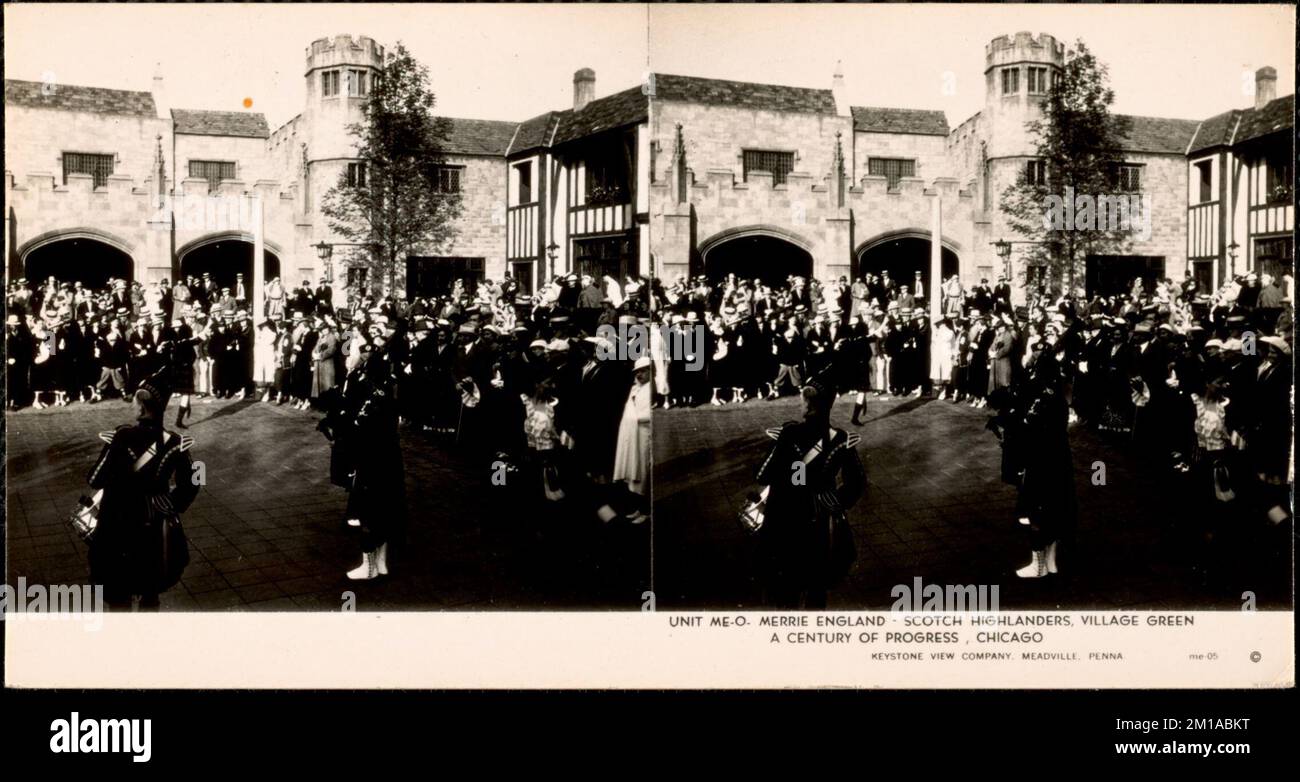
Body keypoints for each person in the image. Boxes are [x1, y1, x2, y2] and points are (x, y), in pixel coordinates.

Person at [85, 369, 199, 610]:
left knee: (118, 594)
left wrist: (111, 448)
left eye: (134, 402)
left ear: (140, 408)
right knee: (150, 589)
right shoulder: (175, 442)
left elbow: (95, 478)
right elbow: (196, 479)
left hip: (116, 522)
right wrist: (174, 502)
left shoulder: (123, 436)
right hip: (153, 523)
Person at [753, 368, 865, 608]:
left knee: (786, 587)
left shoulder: (789, 433)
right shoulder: (841, 439)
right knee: (816, 585)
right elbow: (857, 483)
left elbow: (763, 474)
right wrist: (833, 500)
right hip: (818, 520)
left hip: (785, 517)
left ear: (806, 404)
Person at [612, 356, 653, 522]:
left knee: (643, 473)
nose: (639, 374)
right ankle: (638, 507)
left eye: (643, 371)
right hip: (632, 435)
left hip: (644, 435)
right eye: (637, 372)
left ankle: (646, 511)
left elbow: (648, 414)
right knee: (634, 472)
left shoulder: (651, 389)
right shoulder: (635, 389)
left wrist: (635, 418)